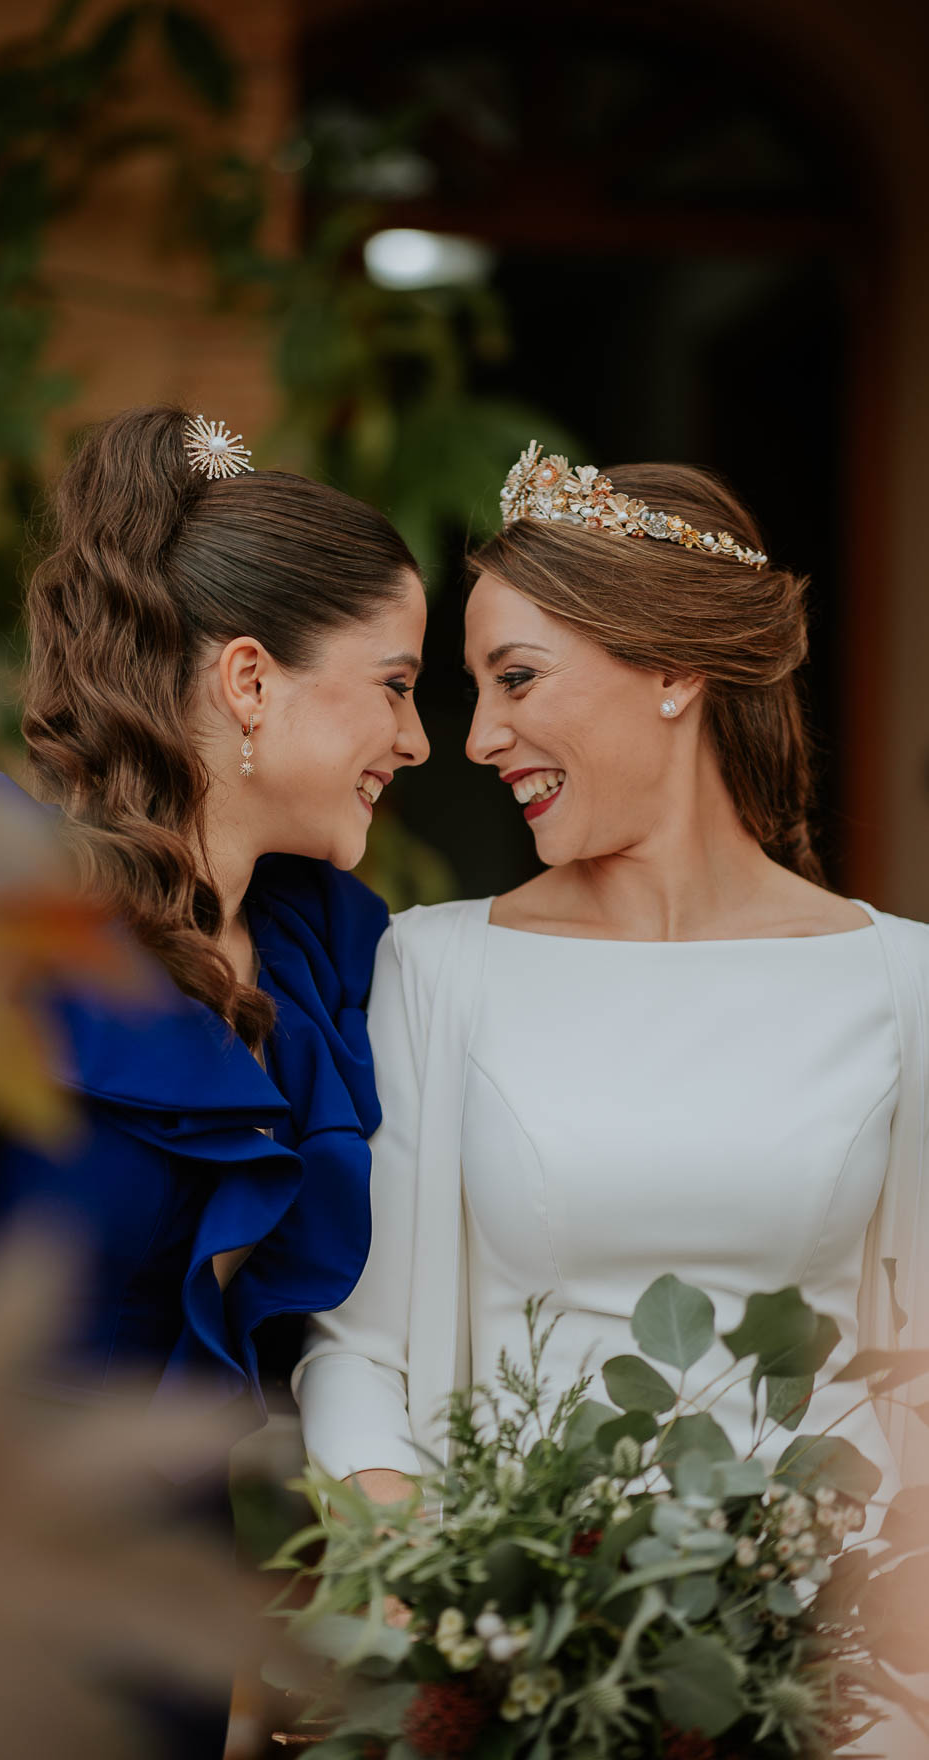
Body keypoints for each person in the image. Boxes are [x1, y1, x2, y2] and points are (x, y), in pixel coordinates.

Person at [0, 405, 429, 1752]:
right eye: (399, 684)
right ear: (250, 681)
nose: (417, 741)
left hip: (173, 1643)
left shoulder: (332, 957)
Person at [295, 447, 929, 1535]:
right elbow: (358, 1351)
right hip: (516, 1638)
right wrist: (432, 1606)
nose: (480, 736)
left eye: (519, 677)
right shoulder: (435, 968)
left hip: (833, 1657)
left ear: (675, 670)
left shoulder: (903, 980)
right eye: (475, 688)